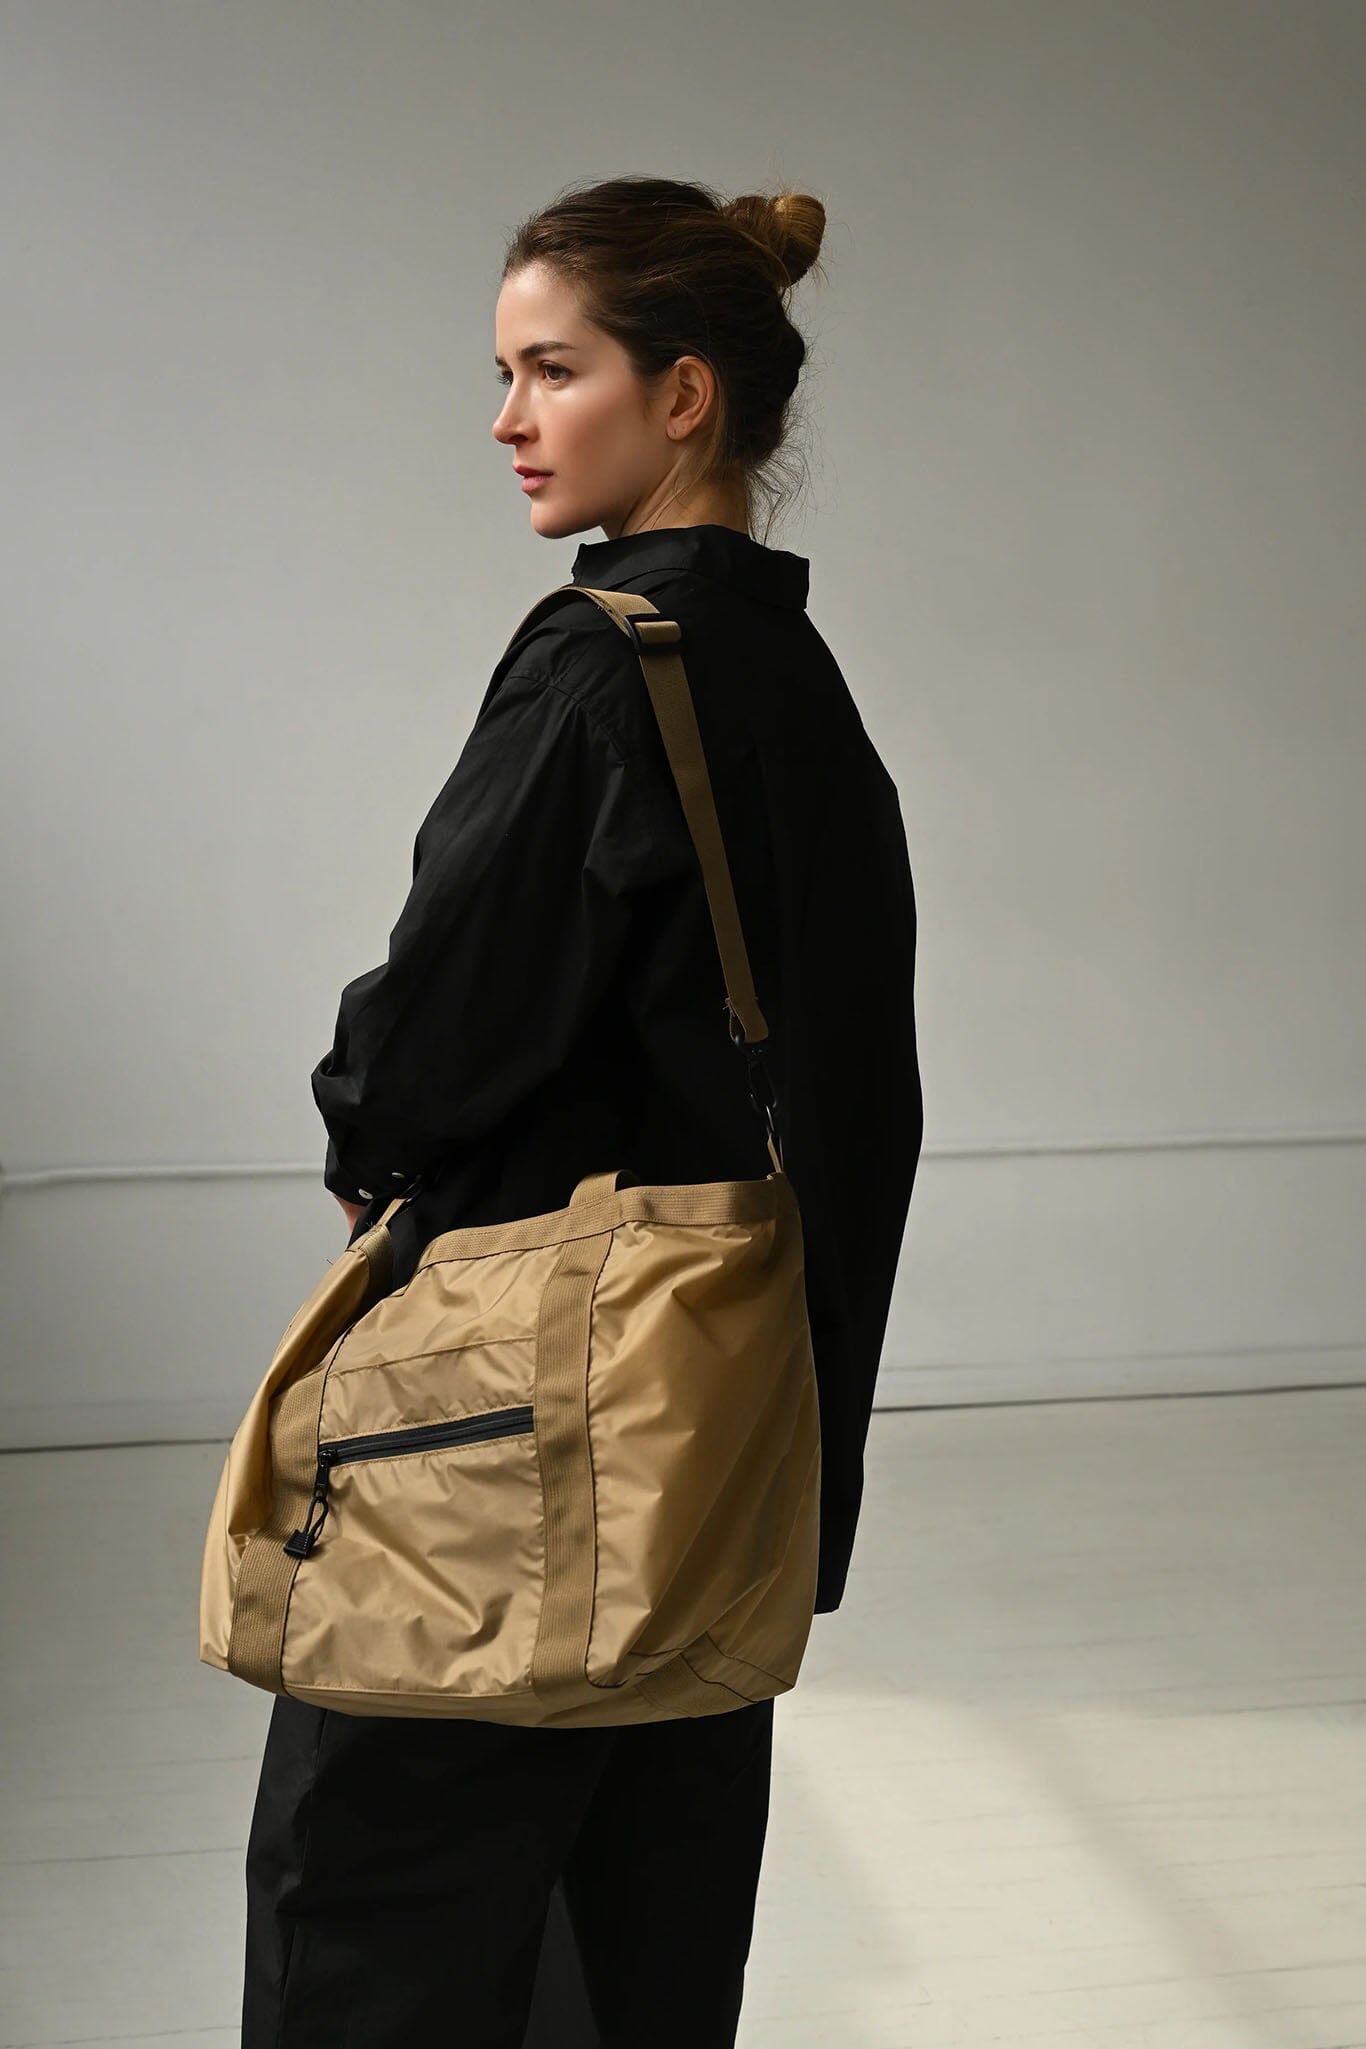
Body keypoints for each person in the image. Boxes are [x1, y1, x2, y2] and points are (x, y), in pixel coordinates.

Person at [242, 174, 923, 2048]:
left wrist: (366, 1132)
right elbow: (861, 1092)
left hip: (504, 1436)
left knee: (365, 1907)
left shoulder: (602, 666)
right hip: (721, 1435)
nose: (508, 418)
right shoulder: (798, 681)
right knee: (641, 1940)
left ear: (682, 395)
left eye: (553, 370)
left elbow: (434, 1030)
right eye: (506, 373)